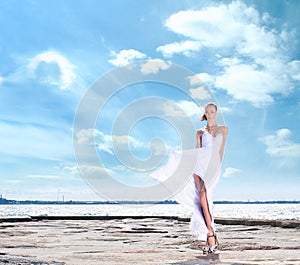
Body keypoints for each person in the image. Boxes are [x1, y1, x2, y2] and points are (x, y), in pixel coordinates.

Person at [151, 102, 228, 254]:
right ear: (205, 113)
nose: (210, 114)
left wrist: (216, 167)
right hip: (199, 166)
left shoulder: (223, 129)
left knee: (206, 197)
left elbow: (221, 151)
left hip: (213, 166)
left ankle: (211, 233)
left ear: (216, 113)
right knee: (201, 200)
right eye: (207, 112)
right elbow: (197, 152)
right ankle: (210, 236)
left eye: (212, 111)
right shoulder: (200, 132)